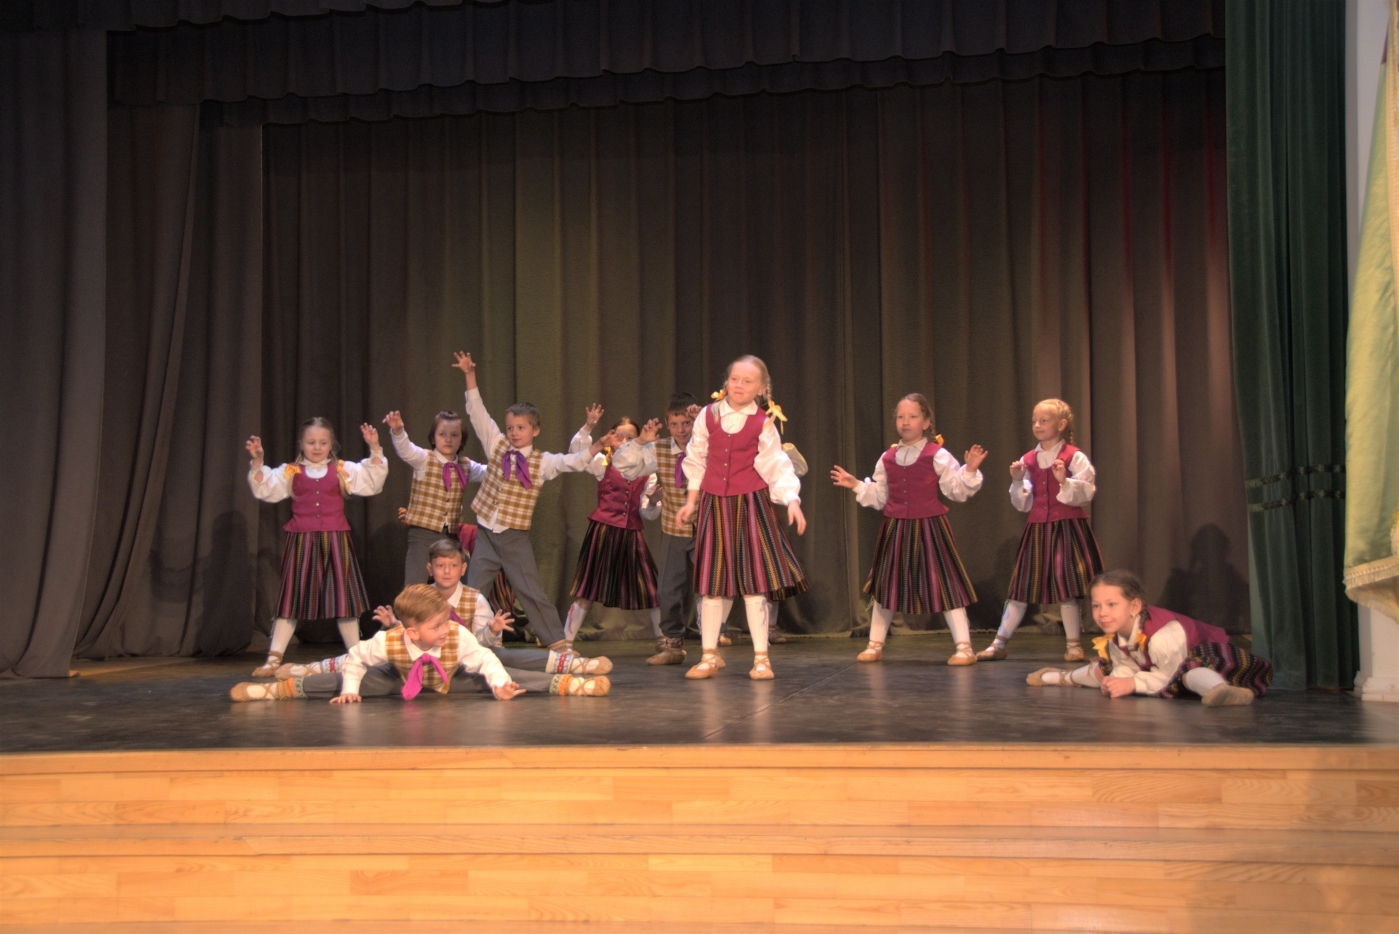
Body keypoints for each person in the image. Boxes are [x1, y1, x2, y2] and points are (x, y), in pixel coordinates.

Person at [454, 351, 620, 652]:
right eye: (511, 428)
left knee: (530, 590)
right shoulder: (497, 444)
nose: (514, 433)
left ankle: (557, 642)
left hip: (514, 537)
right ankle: (463, 643)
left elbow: (572, 462)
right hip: (486, 534)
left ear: (535, 430)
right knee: (473, 592)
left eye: (521, 428)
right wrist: (469, 375)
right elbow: (477, 413)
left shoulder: (542, 462)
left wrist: (596, 445)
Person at [275, 537, 613, 680]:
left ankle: (575, 666)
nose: (446, 572)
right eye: (440, 566)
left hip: (462, 661)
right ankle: (311, 671)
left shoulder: (473, 599)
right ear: (430, 569)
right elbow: (402, 639)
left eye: (452, 566)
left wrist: (492, 632)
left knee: (508, 660)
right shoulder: (417, 596)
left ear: (463, 568)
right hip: (421, 665)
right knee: (369, 662)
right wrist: (392, 624)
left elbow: (483, 645)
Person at [230, 584, 609, 702]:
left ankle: (573, 682)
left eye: (445, 621)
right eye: (436, 626)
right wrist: (349, 690)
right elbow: (356, 659)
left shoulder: (456, 636)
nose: (446, 629)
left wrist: (498, 686)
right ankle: (278, 689)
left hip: (449, 679)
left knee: (504, 670)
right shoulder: (391, 640)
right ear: (412, 632)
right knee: (359, 678)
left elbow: (485, 659)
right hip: (400, 677)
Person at [675, 355, 807, 680]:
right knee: (711, 584)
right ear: (726, 381)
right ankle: (709, 655)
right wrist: (691, 501)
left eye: (748, 381)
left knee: (752, 583)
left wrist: (791, 499)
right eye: (735, 379)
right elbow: (696, 458)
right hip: (713, 505)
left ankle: (761, 657)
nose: (739, 386)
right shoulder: (708, 414)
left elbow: (776, 464)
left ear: (761, 388)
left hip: (750, 504)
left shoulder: (762, 422)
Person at [831, 393, 986, 665]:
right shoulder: (888, 457)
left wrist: (970, 470)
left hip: (929, 527)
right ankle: (875, 644)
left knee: (945, 583)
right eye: (901, 417)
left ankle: (964, 647)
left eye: (913, 416)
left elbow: (956, 489)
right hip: (896, 528)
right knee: (886, 585)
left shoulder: (936, 455)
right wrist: (855, 483)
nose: (905, 422)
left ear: (926, 422)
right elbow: (880, 496)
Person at [245, 417, 387, 677]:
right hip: (302, 539)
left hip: (335, 538)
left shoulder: (342, 469)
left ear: (332, 443)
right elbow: (266, 488)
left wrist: (375, 447)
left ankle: (356, 655)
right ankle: (274, 659)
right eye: (311, 442)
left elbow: (372, 481)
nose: (317, 447)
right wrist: (257, 461)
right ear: (301, 443)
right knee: (291, 598)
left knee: (344, 600)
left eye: (323, 442)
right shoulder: (291, 472)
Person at [1026, 569, 1271, 706]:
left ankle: (1224, 690)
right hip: (1167, 672)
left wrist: (1133, 684)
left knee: (1190, 673)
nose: (1102, 613)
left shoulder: (1163, 635)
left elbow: (1170, 675)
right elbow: (1126, 666)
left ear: (1134, 607)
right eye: (1097, 606)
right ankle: (1061, 677)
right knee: (1105, 670)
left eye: (1111, 604)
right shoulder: (1117, 636)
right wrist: (1116, 681)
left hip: (1217, 660)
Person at [977, 398, 1103, 663]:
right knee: (1021, 587)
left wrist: (1064, 481)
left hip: (1066, 528)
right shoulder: (1028, 459)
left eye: (1044, 420)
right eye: (1035, 421)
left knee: (1066, 588)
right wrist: (1015, 479)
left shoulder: (1073, 456)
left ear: (1062, 424)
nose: (1037, 425)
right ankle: (999, 643)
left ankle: (1072, 645)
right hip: (1037, 531)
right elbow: (1023, 502)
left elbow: (1086, 491)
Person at [563, 413, 664, 648]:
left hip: (631, 533)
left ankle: (664, 640)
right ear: (612, 437)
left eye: (632, 437)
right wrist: (588, 427)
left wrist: (652, 501)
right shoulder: (603, 463)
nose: (626, 441)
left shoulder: (648, 471)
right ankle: (566, 643)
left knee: (650, 587)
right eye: (621, 437)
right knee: (588, 590)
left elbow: (648, 512)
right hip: (604, 532)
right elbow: (577, 454)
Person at [382, 407, 485, 586]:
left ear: (462, 440)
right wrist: (398, 431)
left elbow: (490, 473)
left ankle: (458, 613)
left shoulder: (465, 465)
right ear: (433, 437)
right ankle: (408, 614)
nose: (448, 439)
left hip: (450, 536)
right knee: (415, 583)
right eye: (442, 434)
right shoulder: (424, 459)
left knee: (467, 579)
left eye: (454, 435)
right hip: (423, 534)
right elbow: (406, 450)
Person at [639, 393, 704, 664]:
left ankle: (711, 648)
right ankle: (673, 646)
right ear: (667, 424)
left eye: (687, 423)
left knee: (709, 589)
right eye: (675, 424)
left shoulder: (706, 446)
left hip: (704, 527)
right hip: (674, 529)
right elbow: (626, 464)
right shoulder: (660, 449)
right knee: (667, 589)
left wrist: (705, 421)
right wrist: (642, 440)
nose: (681, 430)